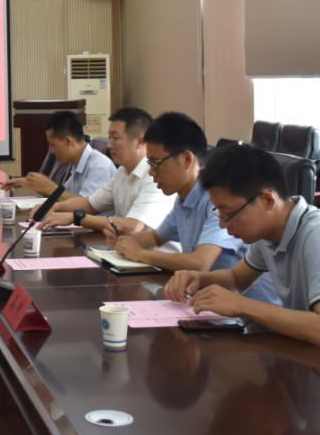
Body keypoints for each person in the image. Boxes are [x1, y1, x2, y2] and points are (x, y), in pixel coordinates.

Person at [165, 143, 320, 381]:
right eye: (219, 213)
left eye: (228, 213)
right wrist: (198, 278)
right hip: (309, 359)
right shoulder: (269, 232)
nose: (223, 224)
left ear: (267, 200)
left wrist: (241, 305)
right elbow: (236, 278)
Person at [104, 112, 278, 304]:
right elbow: (155, 238)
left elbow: (200, 263)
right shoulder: (182, 197)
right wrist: (127, 240)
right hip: (213, 302)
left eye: (156, 163)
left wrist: (141, 254)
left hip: (248, 310)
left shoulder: (218, 199)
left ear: (187, 159)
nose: (151, 173)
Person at [39, 107, 176, 240]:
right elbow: (90, 204)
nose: (109, 145)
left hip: (152, 254)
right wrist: (53, 207)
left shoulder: (154, 176)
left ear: (140, 141)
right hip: (125, 249)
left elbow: (133, 226)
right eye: (109, 137)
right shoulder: (122, 171)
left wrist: (77, 218)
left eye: (115, 138)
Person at [3, 110, 114, 198]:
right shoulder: (77, 163)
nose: (52, 151)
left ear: (68, 141)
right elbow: (63, 196)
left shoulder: (99, 166)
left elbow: (87, 206)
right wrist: (31, 184)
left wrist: (49, 187)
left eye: (53, 145)